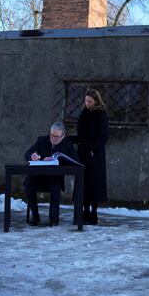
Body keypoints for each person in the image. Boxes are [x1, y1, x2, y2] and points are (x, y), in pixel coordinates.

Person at [23, 121, 78, 227]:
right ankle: (35, 216)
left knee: (55, 187)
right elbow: (27, 153)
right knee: (29, 186)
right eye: (51, 135)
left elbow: (75, 161)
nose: (53, 138)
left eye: (57, 137)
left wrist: (58, 161)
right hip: (38, 176)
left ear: (63, 136)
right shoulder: (41, 140)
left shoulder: (68, 144)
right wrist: (32, 156)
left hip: (54, 177)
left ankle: (53, 218)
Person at [76, 88, 109, 225]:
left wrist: (94, 148)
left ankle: (93, 212)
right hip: (84, 152)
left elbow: (103, 134)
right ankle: (85, 211)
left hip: (96, 154)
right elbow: (80, 131)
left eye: (90, 101)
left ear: (96, 101)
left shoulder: (101, 114)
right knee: (84, 182)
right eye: (86, 101)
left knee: (95, 183)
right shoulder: (84, 113)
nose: (87, 103)